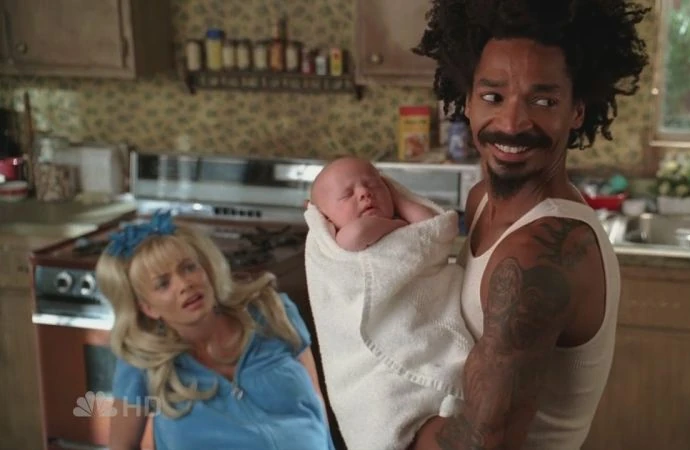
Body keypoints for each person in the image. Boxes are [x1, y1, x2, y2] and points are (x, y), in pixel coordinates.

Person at [410, 0, 650, 448]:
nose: (512, 123)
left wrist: (387, 422)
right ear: (468, 101)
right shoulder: (482, 201)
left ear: (576, 110)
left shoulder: (539, 249)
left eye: (543, 101)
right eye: (493, 97)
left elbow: (482, 443)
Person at [95, 211, 335, 450]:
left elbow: (317, 407)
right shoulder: (143, 359)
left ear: (206, 269)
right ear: (147, 308)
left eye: (189, 268)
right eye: (163, 284)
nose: (185, 284)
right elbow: (122, 446)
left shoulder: (273, 312)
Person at [304, 156, 474, 450]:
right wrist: (393, 223)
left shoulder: (400, 226)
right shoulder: (342, 245)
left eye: (373, 185)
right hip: (376, 369)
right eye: (347, 194)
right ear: (326, 218)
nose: (364, 194)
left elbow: (434, 226)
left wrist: (396, 195)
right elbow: (358, 234)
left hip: (419, 326)